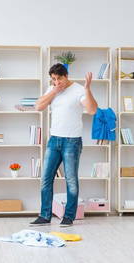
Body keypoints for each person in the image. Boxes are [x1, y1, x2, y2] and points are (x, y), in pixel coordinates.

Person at [30, 63, 98, 227]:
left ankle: (69, 216)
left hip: (72, 141)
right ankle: (45, 215)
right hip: (54, 140)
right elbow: (38, 106)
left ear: (66, 76)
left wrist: (87, 88)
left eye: (59, 79)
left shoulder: (79, 90)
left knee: (71, 180)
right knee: (46, 178)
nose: (56, 82)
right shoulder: (52, 89)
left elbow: (92, 110)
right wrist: (54, 90)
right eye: (53, 79)